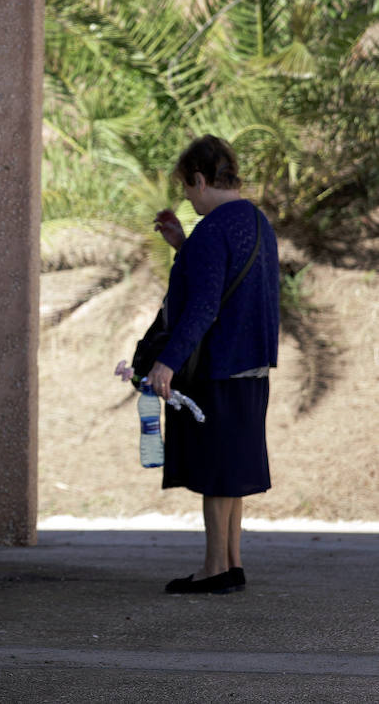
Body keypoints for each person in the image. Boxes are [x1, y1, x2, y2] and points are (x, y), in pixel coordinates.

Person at [147, 135, 280, 595]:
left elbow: (202, 307)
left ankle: (213, 569)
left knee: (216, 475)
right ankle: (232, 563)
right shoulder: (258, 222)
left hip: (220, 367)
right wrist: (183, 246)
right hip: (254, 365)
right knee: (232, 473)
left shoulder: (214, 229)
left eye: (187, 187)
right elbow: (230, 284)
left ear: (201, 180)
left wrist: (166, 363)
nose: (187, 197)